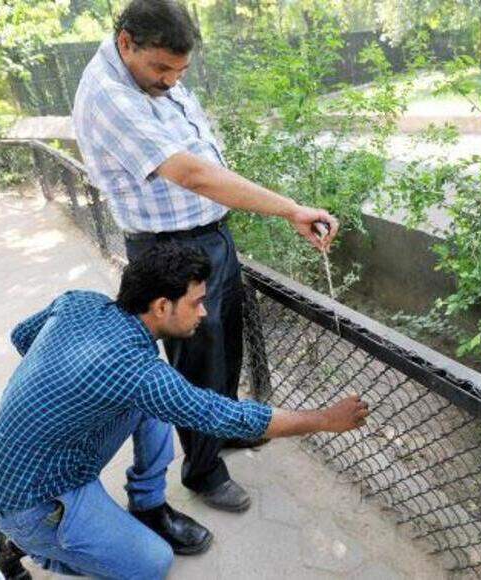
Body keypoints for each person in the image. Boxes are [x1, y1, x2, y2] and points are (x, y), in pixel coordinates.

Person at [72, 0, 339, 515]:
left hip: (208, 233)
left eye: (181, 71)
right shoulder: (109, 94)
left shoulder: (153, 75)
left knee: (225, 343)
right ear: (126, 42)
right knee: (195, 362)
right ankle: (202, 470)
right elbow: (192, 173)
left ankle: (225, 427)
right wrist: (289, 210)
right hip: (169, 247)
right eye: (161, 69)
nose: (171, 80)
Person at [0, 244, 368, 576]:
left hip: (40, 461)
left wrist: (63, 393)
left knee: (151, 406)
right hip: (36, 501)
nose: (203, 313)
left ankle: (148, 506)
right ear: (162, 305)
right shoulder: (138, 372)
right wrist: (324, 420)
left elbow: (21, 336)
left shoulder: (81, 302)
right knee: (152, 565)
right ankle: (11, 542)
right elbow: (226, 416)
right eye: (196, 303)